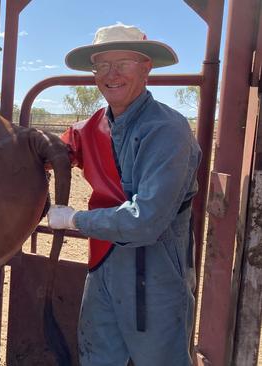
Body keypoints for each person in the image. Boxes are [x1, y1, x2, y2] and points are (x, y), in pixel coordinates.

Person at [47, 23, 201, 365]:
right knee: (97, 354)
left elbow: (146, 222)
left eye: (123, 64)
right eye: (102, 65)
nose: (111, 74)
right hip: (104, 261)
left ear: (146, 69)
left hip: (154, 268)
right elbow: (56, 151)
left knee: (159, 358)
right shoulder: (94, 125)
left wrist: (74, 219)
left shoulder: (167, 130)